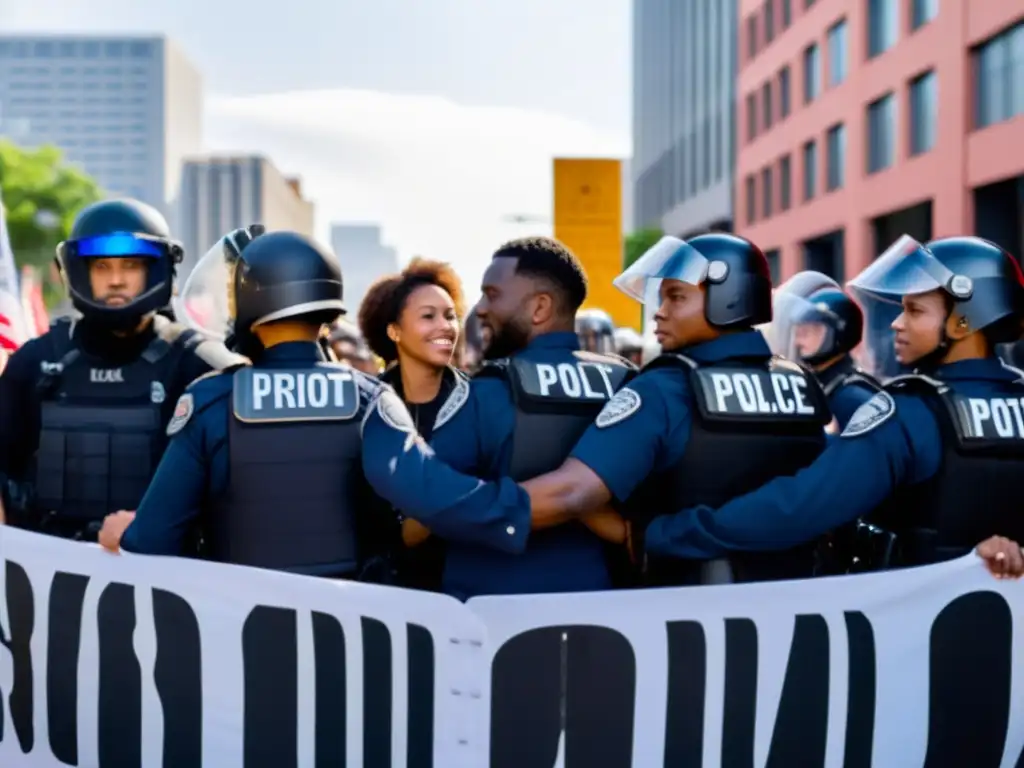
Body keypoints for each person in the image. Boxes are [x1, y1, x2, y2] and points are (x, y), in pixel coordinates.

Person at [97, 231, 531, 579]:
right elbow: (432, 493)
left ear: (254, 303)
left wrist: (126, 531)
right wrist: (525, 507)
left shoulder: (211, 401)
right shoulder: (371, 398)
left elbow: (153, 539)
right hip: (349, 639)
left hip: (239, 637)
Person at [638, 235, 1024, 573]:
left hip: (917, 639)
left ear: (962, 323)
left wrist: (666, 532)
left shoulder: (910, 414)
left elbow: (797, 508)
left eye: (915, 310)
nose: (897, 323)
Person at [501, 233, 834, 586]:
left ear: (729, 297)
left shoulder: (665, 389)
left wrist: (466, 506)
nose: (659, 312)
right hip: (799, 607)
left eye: (676, 297)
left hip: (683, 615)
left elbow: (571, 493)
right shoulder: (800, 384)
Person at [0, 198, 242, 541]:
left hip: (162, 575)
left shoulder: (197, 364)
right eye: (102, 267)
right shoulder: (34, 363)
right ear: (79, 271)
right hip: (46, 577)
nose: (116, 280)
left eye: (130, 265)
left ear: (157, 269)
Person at [418, 236, 635, 599]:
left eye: (493, 294)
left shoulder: (484, 393)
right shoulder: (627, 384)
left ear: (540, 308)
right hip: (603, 616)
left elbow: (426, 508)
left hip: (489, 618)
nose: (481, 308)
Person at [358, 257, 468, 589]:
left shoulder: (479, 400)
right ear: (393, 330)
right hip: (389, 589)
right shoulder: (365, 404)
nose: (445, 326)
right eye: (428, 316)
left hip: (464, 581)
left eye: (450, 316)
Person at [767, 271, 880, 429]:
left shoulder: (853, 397)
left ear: (841, 331)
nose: (799, 340)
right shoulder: (820, 385)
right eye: (799, 331)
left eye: (812, 330)